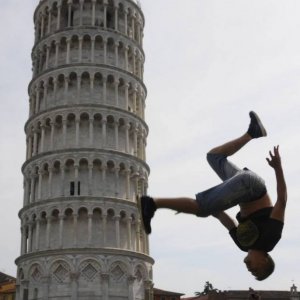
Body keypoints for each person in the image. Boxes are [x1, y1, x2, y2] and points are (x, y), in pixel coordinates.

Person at [140, 111, 287, 281]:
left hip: (242, 190)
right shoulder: (270, 239)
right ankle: (152, 203)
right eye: (256, 271)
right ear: (264, 260)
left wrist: (207, 209)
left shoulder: (243, 244)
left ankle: (253, 132)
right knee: (202, 208)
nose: (250, 270)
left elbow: (227, 221)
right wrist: (278, 168)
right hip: (253, 187)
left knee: (214, 156)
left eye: (252, 273)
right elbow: (281, 202)